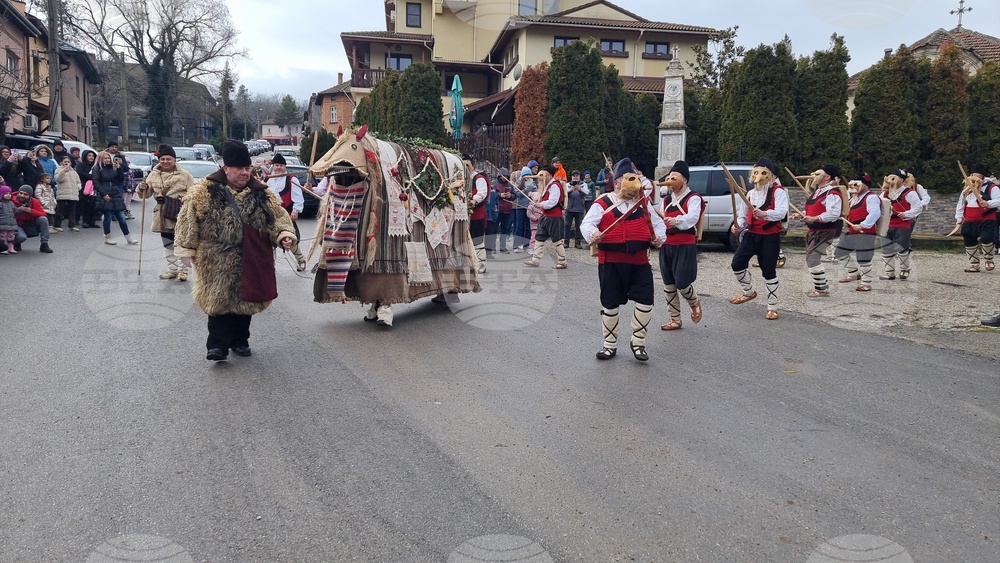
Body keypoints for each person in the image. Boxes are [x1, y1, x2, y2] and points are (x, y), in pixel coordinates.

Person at [173, 139, 296, 362]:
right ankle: (217, 346)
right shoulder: (204, 192)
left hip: (251, 257)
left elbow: (279, 218)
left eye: (247, 168)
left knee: (245, 302)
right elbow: (187, 222)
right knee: (218, 302)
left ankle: (240, 341)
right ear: (225, 168)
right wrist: (186, 249)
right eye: (239, 168)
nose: (244, 173)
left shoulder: (262, 193)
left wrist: (285, 236)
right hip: (214, 258)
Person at [580, 162, 665, 361]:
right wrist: (593, 233)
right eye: (625, 181)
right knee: (610, 304)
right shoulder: (603, 202)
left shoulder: (643, 203)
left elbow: (658, 225)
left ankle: (638, 343)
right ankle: (609, 345)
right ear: (617, 183)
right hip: (611, 262)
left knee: (646, 301)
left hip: (640, 261)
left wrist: (659, 238)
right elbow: (587, 223)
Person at [730, 157, 787, 320]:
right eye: (756, 172)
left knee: (768, 271)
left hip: (769, 237)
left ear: (769, 175)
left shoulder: (778, 192)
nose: (758, 176)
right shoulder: (750, 194)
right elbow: (742, 216)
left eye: (763, 172)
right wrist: (738, 226)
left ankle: (772, 307)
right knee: (737, 263)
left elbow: (782, 212)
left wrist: (765, 214)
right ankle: (748, 292)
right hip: (752, 234)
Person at [136, 144, 197, 281]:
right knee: (168, 244)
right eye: (162, 159)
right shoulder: (153, 175)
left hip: (180, 214)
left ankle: (183, 271)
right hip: (162, 215)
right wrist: (142, 187)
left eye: (168, 159)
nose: (165, 162)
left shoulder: (185, 175)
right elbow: (144, 195)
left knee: (182, 243)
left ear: (174, 160)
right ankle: (172, 270)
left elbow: (194, 193)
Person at [658, 160, 704, 331]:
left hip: (684, 244)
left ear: (684, 180)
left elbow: (692, 218)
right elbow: (658, 220)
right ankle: (675, 319)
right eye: (669, 177)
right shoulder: (666, 200)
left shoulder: (694, 198)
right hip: (667, 245)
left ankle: (694, 302)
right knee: (669, 285)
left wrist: (676, 220)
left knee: (683, 283)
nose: (670, 180)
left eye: (674, 177)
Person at [790, 165, 843, 297]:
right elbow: (814, 209)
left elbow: (834, 213)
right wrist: (802, 214)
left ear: (827, 177)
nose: (813, 175)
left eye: (818, 173)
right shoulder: (818, 192)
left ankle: (822, 289)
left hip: (825, 230)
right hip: (814, 230)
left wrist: (815, 218)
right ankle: (822, 286)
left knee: (813, 258)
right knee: (811, 258)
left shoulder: (832, 193)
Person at [835, 174, 881, 292]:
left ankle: (866, 283)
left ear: (865, 185)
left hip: (865, 231)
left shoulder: (871, 197)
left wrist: (863, 225)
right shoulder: (854, 198)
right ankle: (853, 273)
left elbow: (875, 213)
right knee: (840, 251)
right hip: (853, 230)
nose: (854, 187)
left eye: (857, 184)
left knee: (864, 258)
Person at [952, 164, 1000, 273]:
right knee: (969, 239)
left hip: (986, 218)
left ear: (983, 177)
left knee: (986, 238)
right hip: (970, 219)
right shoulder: (967, 188)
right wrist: (959, 217)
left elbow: (998, 200)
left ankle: (989, 259)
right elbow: (961, 203)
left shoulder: (991, 187)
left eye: (977, 177)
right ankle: (974, 264)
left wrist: (988, 203)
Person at [264, 153, 308, 271]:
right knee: (269, 240)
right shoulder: (267, 179)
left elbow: (297, 196)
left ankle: (301, 260)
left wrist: (296, 210)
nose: (279, 168)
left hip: (285, 214)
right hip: (270, 214)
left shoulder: (291, 179)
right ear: (273, 166)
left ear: (285, 167)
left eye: (281, 165)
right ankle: (270, 264)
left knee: (289, 238)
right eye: (277, 165)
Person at [879, 168, 922, 280]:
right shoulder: (884, 193)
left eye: (894, 177)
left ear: (902, 180)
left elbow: (918, 207)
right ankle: (889, 272)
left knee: (902, 248)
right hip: (886, 225)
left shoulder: (910, 193)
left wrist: (906, 214)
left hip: (902, 224)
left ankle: (904, 269)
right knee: (886, 248)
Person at [522, 164, 567, 269]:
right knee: (539, 237)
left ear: (549, 175)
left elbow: (553, 201)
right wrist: (538, 203)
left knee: (557, 240)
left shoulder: (555, 185)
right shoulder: (547, 186)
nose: (541, 178)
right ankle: (535, 259)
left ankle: (562, 261)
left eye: (543, 175)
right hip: (546, 215)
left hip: (554, 217)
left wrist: (540, 204)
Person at [92, 150, 135, 245]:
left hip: (115, 192)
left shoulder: (113, 167)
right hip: (105, 192)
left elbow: (120, 179)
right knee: (108, 216)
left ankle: (128, 237)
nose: (107, 160)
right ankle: (107, 236)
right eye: (105, 158)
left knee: (121, 216)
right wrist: (103, 194)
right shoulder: (97, 168)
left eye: (108, 158)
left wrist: (119, 168)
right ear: (100, 159)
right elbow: (96, 182)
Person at [462, 154, 490, 273]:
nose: (466, 168)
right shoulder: (461, 178)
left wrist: (473, 200)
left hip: (476, 214)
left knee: (477, 239)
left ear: (472, 166)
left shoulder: (478, 178)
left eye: (468, 165)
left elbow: (482, 193)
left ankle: (481, 264)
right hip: (463, 215)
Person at [12, 185, 53, 253]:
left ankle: (44, 244)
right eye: (21, 193)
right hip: (16, 225)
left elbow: (43, 214)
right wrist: (20, 210)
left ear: (30, 196)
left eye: (25, 194)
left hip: (29, 223)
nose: (22, 195)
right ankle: (15, 242)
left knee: (43, 219)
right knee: (21, 237)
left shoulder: (34, 201)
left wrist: (31, 211)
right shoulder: (11, 200)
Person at [512, 160, 538, 252]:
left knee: (528, 227)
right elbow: (518, 194)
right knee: (519, 226)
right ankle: (516, 246)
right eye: (526, 175)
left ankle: (527, 245)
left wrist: (532, 189)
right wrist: (527, 189)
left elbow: (535, 193)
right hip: (520, 207)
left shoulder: (533, 182)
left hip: (530, 207)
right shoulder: (517, 183)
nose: (528, 177)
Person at [54, 156, 81, 232]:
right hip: (62, 193)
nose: (66, 163)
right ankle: (57, 225)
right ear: (61, 162)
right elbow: (58, 179)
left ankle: (72, 225)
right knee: (60, 210)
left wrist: (77, 188)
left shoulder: (74, 172)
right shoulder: (58, 170)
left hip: (72, 193)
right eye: (65, 161)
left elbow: (78, 182)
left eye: (68, 162)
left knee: (72, 210)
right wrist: (63, 171)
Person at [108, 141, 134, 219]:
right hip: (108, 179)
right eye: (112, 147)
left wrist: (121, 163)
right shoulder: (105, 155)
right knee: (109, 197)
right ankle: (109, 213)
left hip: (119, 179)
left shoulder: (120, 156)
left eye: (116, 147)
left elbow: (126, 169)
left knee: (118, 197)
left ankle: (115, 214)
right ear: (109, 147)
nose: (114, 148)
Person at [563, 169, 589, 249]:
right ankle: (566, 242)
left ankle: (578, 242)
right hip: (569, 208)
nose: (575, 177)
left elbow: (587, 193)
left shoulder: (583, 184)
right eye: (574, 176)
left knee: (579, 226)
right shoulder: (567, 184)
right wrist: (571, 190)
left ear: (579, 176)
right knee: (567, 225)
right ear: (572, 177)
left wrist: (579, 189)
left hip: (579, 208)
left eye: (577, 176)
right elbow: (564, 193)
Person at [76, 150, 99, 228]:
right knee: (85, 204)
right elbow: (81, 174)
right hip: (84, 187)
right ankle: (85, 221)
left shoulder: (95, 165)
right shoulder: (80, 165)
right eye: (89, 155)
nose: (91, 157)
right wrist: (93, 177)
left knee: (93, 205)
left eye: (92, 156)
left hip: (94, 187)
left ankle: (92, 222)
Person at [495, 167, 513, 253]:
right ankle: (492, 247)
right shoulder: (495, 183)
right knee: (494, 228)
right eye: (503, 176)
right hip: (497, 209)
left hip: (507, 209)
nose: (504, 178)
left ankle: (502, 247)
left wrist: (510, 196)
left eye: (506, 176)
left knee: (504, 229)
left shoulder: (510, 184)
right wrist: (500, 195)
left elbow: (515, 195)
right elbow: (492, 194)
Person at [0, 185, 18, 254]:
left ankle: (11, 248)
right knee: (2, 236)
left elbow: (15, 211)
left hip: (11, 223)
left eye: (9, 194)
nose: (8, 195)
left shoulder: (11, 203)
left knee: (11, 236)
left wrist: (22, 209)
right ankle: (4, 248)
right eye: (6, 194)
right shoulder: (0, 203)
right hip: (2, 223)